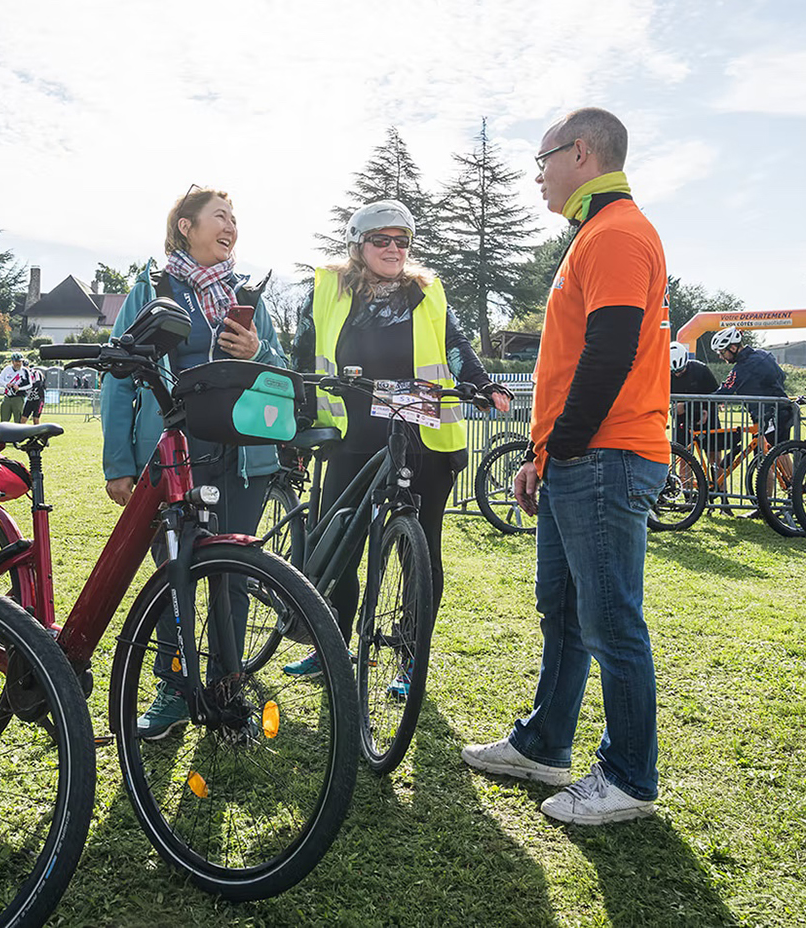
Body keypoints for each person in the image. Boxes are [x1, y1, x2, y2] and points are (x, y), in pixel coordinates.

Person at [461, 107, 670, 825]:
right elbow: (578, 359)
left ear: (580, 152)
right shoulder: (596, 233)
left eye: (543, 159)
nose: (539, 175)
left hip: (606, 457)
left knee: (610, 622)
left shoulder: (615, 233)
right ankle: (545, 743)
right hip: (580, 457)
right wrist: (543, 458)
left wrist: (567, 451)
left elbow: (609, 354)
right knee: (566, 615)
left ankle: (629, 778)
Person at [286, 199, 507, 694]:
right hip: (351, 437)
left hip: (421, 437)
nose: (393, 249)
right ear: (357, 245)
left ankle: (410, 659)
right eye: (381, 240)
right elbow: (303, 356)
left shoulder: (426, 292)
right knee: (339, 543)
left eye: (401, 241)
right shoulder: (327, 289)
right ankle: (330, 646)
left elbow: (456, 344)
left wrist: (482, 381)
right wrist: (299, 422)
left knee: (420, 553)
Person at [100, 185, 288, 739]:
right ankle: (174, 690)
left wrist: (257, 352)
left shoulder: (247, 295)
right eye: (220, 216)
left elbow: (279, 370)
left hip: (244, 460)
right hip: (174, 460)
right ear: (186, 226)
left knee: (234, 577)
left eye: (235, 219)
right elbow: (118, 376)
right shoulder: (151, 288)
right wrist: (118, 462)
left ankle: (229, 697)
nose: (231, 227)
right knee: (171, 579)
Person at [711, 326, 793, 444]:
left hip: (771, 414)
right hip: (777, 410)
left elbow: (726, 390)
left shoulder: (744, 366)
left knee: (776, 455)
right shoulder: (762, 354)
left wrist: (700, 403)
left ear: (733, 348)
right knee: (765, 454)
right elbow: (781, 376)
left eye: (722, 352)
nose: (720, 356)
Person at [669, 339, 718, 442]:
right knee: (682, 453)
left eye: (681, 370)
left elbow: (717, 395)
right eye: (674, 372)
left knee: (713, 452)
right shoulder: (664, 375)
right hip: (683, 419)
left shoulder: (701, 370)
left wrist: (688, 406)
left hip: (708, 415)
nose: (677, 374)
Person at [0, 353, 31, 423]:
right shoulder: (7, 369)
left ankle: (18, 433)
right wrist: (6, 384)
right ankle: (4, 433)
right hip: (7, 397)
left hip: (18, 398)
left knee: (18, 419)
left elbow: (29, 384)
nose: (18, 363)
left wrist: (19, 388)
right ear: (12, 362)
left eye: (20, 362)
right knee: (4, 419)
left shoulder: (25, 371)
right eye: (16, 361)